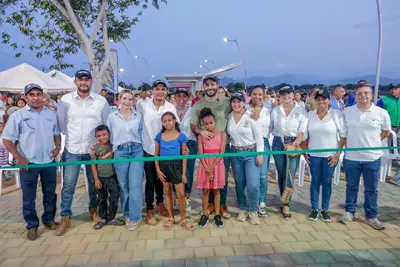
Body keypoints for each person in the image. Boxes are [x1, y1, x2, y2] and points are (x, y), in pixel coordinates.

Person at [2, 83, 61, 240]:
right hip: (29, 163)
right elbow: (7, 139)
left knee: (51, 193)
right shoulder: (18, 116)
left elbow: (56, 133)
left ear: (42, 96)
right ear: (25, 97)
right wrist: (19, 157)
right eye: (32, 95)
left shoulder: (51, 114)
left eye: (38, 94)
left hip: (48, 162)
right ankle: (32, 225)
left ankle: (48, 219)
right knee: (29, 196)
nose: (35, 98)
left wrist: (58, 147)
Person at [56, 70, 110, 236]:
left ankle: (93, 211)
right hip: (72, 149)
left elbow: (105, 124)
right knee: (68, 185)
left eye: (86, 79)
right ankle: (65, 216)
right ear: (75, 82)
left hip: (93, 151)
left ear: (91, 81)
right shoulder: (65, 101)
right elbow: (62, 124)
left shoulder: (101, 101)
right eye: (80, 79)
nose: (83, 82)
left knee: (95, 184)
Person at [340, 83, 390, 230]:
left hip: (372, 157)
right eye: (360, 93)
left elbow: (386, 132)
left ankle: (371, 216)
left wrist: (372, 142)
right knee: (351, 186)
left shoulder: (381, 113)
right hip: (352, 157)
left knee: (371, 188)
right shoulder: (347, 112)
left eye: (366, 93)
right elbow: (343, 133)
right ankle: (349, 211)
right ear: (355, 96)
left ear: (372, 95)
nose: (363, 96)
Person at [136, 80, 178, 225]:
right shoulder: (143, 105)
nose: (160, 92)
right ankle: (149, 209)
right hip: (148, 148)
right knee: (150, 180)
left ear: (166, 91)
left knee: (163, 178)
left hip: (165, 150)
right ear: (152, 91)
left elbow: (175, 127)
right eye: (157, 89)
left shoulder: (170, 107)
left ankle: (161, 204)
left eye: (163, 89)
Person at [303, 88, 346, 222]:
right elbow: (304, 134)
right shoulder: (310, 115)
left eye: (324, 99)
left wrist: (337, 155)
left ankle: (325, 209)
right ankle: (315, 209)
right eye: (318, 99)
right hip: (314, 155)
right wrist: (304, 152)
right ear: (315, 101)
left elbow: (343, 136)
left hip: (330, 155)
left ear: (328, 100)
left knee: (327, 182)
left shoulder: (336, 114)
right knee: (315, 182)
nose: (321, 102)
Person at [191, 76, 231, 219]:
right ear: (203, 87)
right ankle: (208, 206)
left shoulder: (227, 101)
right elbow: (193, 125)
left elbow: (241, 108)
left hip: (223, 146)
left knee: (221, 180)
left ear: (217, 85)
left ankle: (221, 206)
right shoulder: (198, 104)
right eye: (207, 85)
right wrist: (201, 131)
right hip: (207, 148)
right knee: (208, 182)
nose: (210, 87)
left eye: (212, 84)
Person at [107, 90, 144, 230]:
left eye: (130, 99)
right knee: (124, 186)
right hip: (120, 152)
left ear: (133, 101)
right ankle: (127, 213)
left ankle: (135, 216)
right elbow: (109, 135)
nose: (127, 102)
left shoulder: (138, 116)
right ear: (119, 99)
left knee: (135, 185)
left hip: (136, 151)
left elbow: (141, 133)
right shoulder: (112, 117)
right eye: (124, 99)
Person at [270, 85, 307, 219]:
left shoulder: (301, 110)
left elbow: (303, 130)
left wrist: (295, 144)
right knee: (281, 173)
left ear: (293, 94)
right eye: (283, 94)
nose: (286, 96)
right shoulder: (275, 110)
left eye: (289, 93)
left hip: (294, 143)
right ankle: (283, 198)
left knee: (290, 173)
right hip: (278, 143)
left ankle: (287, 204)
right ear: (280, 96)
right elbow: (269, 128)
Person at [228, 92, 264, 225]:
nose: (236, 104)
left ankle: (253, 210)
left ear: (244, 102)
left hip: (251, 152)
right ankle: (243, 208)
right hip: (235, 153)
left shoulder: (250, 116)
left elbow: (259, 137)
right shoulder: (229, 116)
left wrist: (260, 154)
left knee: (253, 184)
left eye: (239, 102)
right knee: (239, 183)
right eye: (234, 102)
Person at [154, 112, 194, 231]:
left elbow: (184, 156)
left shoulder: (181, 136)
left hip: (176, 167)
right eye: (165, 121)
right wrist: (158, 170)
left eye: (169, 120)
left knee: (181, 194)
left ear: (175, 121)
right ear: (162, 123)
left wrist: (183, 173)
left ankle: (183, 219)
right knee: (167, 192)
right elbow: (156, 155)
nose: (167, 123)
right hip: (163, 167)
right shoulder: (159, 136)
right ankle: (171, 217)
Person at [90, 125, 124, 230]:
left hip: (112, 177)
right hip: (100, 178)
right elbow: (93, 164)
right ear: (96, 137)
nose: (102, 137)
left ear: (109, 134)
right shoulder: (95, 148)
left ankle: (111, 217)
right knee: (101, 199)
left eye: (104, 135)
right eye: (99, 136)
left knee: (115, 196)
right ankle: (103, 218)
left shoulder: (113, 146)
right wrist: (96, 179)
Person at [197, 108, 226, 228]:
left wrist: (213, 166)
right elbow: (200, 153)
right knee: (205, 190)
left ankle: (217, 214)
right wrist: (206, 167)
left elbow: (222, 152)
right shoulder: (201, 136)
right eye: (206, 124)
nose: (209, 126)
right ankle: (204, 214)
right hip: (205, 165)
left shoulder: (222, 134)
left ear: (215, 121)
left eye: (211, 123)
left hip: (217, 164)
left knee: (216, 190)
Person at [247, 86, 271, 217]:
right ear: (250, 95)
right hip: (250, 144)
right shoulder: (245, 108)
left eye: (260, 94)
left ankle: (262, 203)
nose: (257, 97)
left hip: (264, 143)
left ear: (264, 95)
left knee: (263, 176)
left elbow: (272, 128)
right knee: (250, 177)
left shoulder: (268, 110)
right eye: (254, 94)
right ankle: (250, 203)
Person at [174, 88, 196, 211]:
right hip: (174, 145)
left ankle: (186, 198)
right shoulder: (170, 110)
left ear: (188, 98)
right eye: (179, 95)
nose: (181, 98)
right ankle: (177, 197)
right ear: (175, 97)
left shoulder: (192, 111)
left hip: (190, 144)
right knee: (175, 171)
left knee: (188, 172)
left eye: (184, 96)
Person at [376, 83, 400, 166]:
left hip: (399, 125)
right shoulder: (384, 100)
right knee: (388, 142)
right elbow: (376, 111)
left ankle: (396, 158)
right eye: (391, 89)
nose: (393, 91)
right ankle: (391, 160)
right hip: (388, 126)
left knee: (398, 141)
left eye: (395, 89)